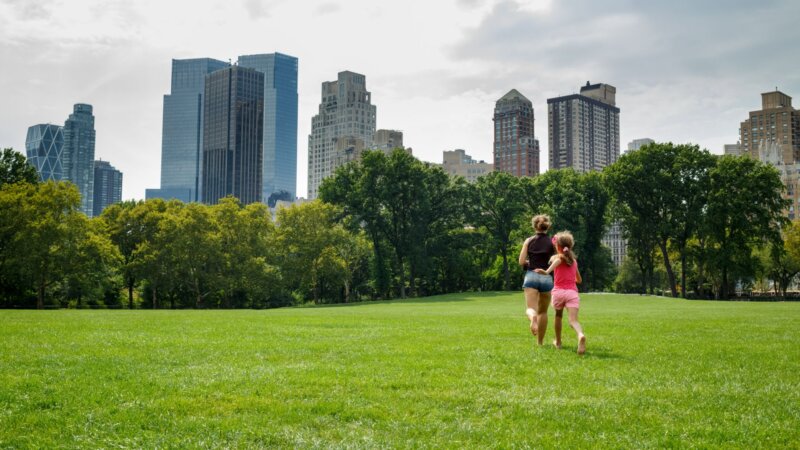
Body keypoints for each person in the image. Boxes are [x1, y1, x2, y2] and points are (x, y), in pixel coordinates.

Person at [535, 231, 586, 355]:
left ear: (557, 246)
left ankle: (558, 342)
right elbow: (579, 280)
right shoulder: (574, 261)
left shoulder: (558, 258)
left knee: (558, 316)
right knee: (573, 321)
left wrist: (546, 272)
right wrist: (570, 279)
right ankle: (580, 335)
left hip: (558, 293)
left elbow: (555, 264)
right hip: (572, 293)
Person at [518, 214, 555, 346]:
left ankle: (532, 317)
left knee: (530, 308)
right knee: (543, 312)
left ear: (534, 226)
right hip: (546, 277)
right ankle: (540, 342)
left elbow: (521, 261)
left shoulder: (528, 241)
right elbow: (556, 260)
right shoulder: (552, 242)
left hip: (531, 275)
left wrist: (529, 263)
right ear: (547, 226)